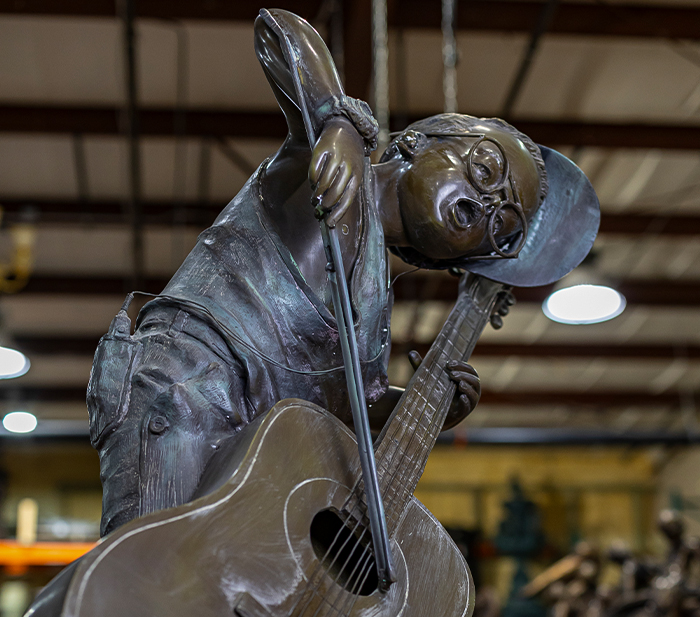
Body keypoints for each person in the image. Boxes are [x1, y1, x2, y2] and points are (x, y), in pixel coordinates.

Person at [87, 8, 548, 537]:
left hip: (264, 452)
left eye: (499, 221)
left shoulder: (373, 302)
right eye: (483, 169)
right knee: (151, 579)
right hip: (188, 393)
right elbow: (280, 29)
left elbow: (355, 403)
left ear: (454, 260)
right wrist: (336, 120)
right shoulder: (328, 166)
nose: (481, 204)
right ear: (420, 140)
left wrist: (424, 406)